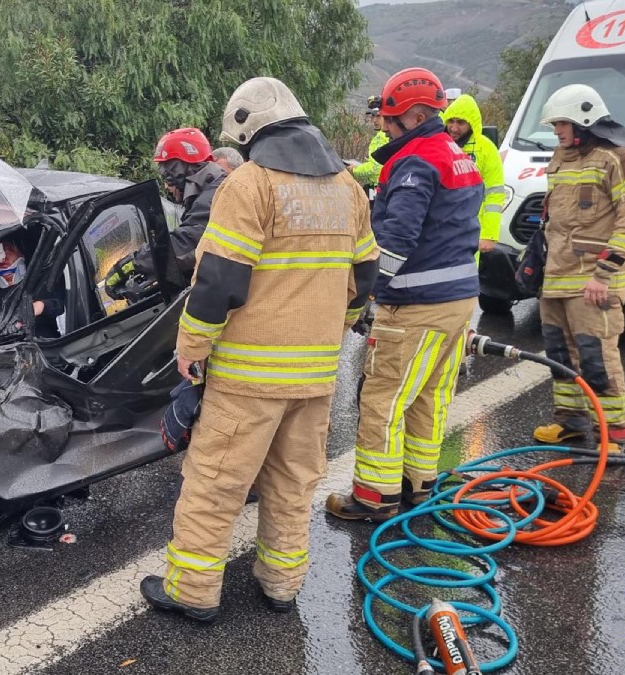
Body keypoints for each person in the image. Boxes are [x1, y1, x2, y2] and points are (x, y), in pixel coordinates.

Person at [139, 76, 378, 621]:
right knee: (294, 484)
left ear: (247, 133)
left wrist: (192, 347)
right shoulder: (347, 188)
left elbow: (218, 279)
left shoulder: (250, 186)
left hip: (248, 378)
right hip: (316, 376)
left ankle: (193, 592)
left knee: (216, 483)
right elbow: (365, 278)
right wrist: (333, 333)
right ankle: (280, 584)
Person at [325, 67, 482, 522]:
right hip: (457, 302)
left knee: (383, 401)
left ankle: (374, 496)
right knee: (428, 398)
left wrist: (363, 297)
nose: (383, 129)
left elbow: (394, 242)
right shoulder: (455, 153)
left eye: (389, 122)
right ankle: (419, 485)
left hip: (418, 305)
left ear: (413, 116)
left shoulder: (415, 162)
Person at [530, 84, 625, 446]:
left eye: (561, 124)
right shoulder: (560, 157)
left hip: (593, 281)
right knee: (559, 355)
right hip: (555, 277)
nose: (557, 131)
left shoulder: (618, 158)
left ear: (583, 120)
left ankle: (611, 432)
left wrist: (605, 274)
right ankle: (571, 422)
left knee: (596, 356)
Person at [104, 128, 227, 294]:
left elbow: (186, 243)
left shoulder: (215, 195)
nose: (167, 186)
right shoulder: (212, 190)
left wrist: (132, 264)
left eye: (167, 176)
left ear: (180, 174)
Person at [443, 94, 504, 255]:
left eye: (461, 123)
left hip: (472, 231)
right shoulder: (441, 145)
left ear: (472, 123)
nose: (454, 128)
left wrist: (489, 234)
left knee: (465, 276)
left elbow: (495, 193)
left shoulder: (486, 149)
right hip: (441, 229)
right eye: (451, 121)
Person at [0, 238, 65, 338]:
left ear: (21, 254)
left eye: (8, 250)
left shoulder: (42, 281)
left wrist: (41, 306)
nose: (3, 258)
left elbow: (64, 308)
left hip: (46, 345)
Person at [350, 95, 388, 190]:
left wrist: (354, 170)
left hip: (379, 188)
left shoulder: (382, 136)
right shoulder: (384, 135)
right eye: (373, 116)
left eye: (378, 116)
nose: (374, 120)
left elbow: (374, 168)